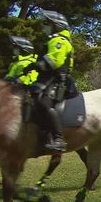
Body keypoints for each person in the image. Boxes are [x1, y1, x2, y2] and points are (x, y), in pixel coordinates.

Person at [25, 9, 75, 152]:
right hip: (48, 78)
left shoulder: (59, 41)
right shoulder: (52, 40)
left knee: (45, 103)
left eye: (47, 23)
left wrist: (35, 65)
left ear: (56, 26)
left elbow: (54, 62)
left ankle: (58, 139)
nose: (44, 26)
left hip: (58, 80)